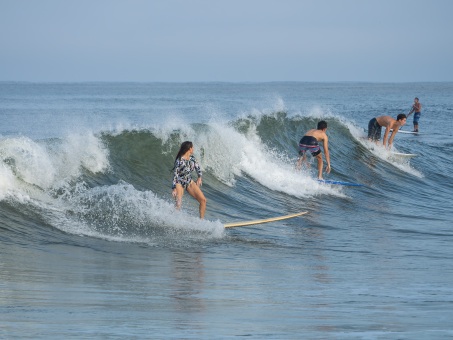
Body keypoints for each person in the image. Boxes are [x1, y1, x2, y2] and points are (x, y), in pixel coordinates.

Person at [172, 141, 207, 219]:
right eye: (192, 147)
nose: (193, 149)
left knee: (203, 200)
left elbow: (198, 168)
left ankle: (201, 222)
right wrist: (174, 188)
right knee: (178, 203)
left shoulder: (192, 158)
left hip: (189, 181)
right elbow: (175, 175)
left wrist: (199, 177)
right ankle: (173, 220)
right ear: (189, 149)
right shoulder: (179, 160)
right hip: (179, 182)